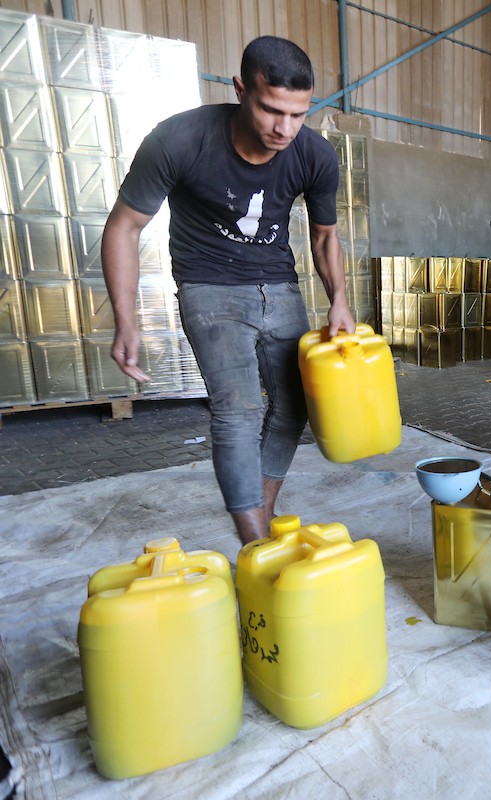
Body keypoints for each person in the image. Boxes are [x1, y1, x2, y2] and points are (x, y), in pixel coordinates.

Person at [102, 36, 354, 545]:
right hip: (208, 286)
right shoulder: (179, 139)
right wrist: (125, 321)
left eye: (298, 114)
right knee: (239, 409)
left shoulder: (314, 154)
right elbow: (123, 227)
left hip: (279, 283)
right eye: (270, 109)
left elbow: (324, 235)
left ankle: (258, 521)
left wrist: (340, 303)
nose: (284, 128)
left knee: (295, 405)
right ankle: (257, 546)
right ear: (241, 89)